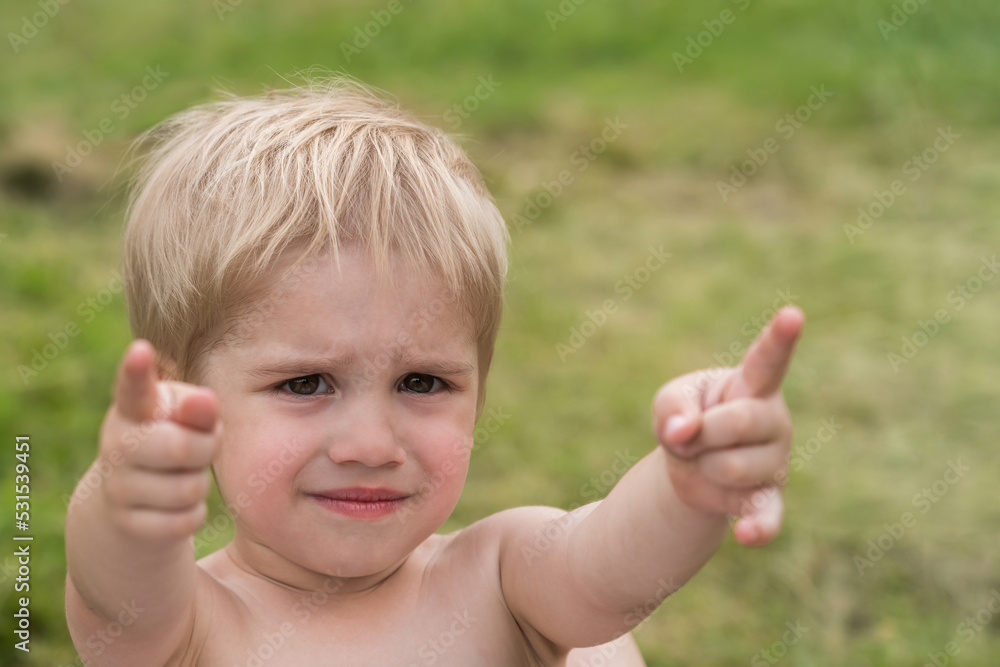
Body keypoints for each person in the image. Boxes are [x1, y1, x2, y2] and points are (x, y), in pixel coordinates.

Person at [65, 78, 803, 666]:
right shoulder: (189, 628)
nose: (370, 444)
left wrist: (688, 482)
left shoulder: (501, 580)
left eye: (421, 383)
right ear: (179, 400)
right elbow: (115, 586)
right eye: (305, 384)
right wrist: (125, 502)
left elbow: (610, 566)